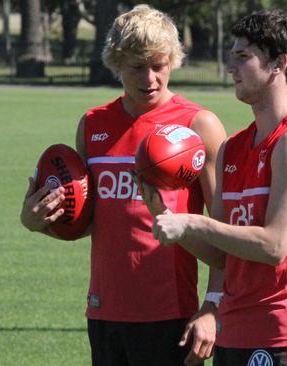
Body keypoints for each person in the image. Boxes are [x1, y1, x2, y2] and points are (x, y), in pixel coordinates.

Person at [20, 5, 227, 366]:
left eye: (159, 65)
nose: (149, 78)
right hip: (103, 309)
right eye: (136, 67)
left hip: (169, 313)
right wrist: (38, 222)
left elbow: (223, 230)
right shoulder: (92, 125)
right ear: (116, 63)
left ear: (173, 61)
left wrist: (213, 305)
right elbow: (89, 220)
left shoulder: (198, 125)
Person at [138, 9, 287, 366]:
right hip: (235, 331)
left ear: (279, 63)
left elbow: (274, 245)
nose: (231, 66)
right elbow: (219, 255)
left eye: (243, 57)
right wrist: (163, 213)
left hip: (285, 334)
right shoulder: (233, 148)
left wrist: (192, 222)